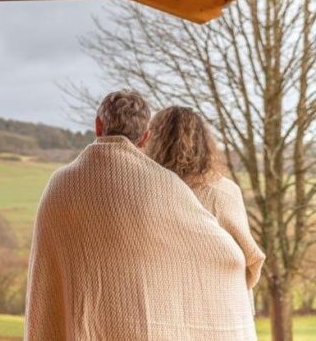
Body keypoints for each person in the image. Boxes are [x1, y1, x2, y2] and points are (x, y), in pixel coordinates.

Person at [24, 91, 256, 340]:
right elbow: (225, 254)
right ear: (145, 137)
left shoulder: (59, 184)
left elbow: (45, 268)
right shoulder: (165, 185)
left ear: (98, 125)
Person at [145, 106, 265, 300]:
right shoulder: (225, 191)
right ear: (204, 142)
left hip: (161, 299)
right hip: (219, 300)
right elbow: (250, 258)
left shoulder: (143, 190)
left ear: (152, 140)